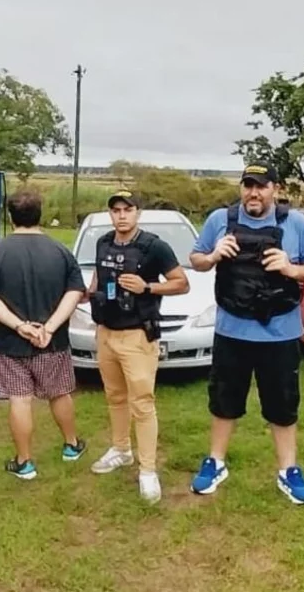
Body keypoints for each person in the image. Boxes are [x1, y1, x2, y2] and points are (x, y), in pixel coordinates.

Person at [187, 160, 304, 504]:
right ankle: (216, 462)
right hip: (231, 331)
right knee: (224, 401)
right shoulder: (220, 220)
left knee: (283, 405)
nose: (253, 192)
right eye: (248, 185)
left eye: (261, 186)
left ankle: (288, 470)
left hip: (280, 334)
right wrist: (213, 256)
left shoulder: (295, 223)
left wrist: (291, 269)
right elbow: (196, 259)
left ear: (275, 190)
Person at [0, 189, 88, 480]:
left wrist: (19, 326)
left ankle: (24, 462)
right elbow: (75, 292)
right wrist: (49, 327)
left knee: (19, 399)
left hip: (8, 343)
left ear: (10, 216)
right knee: (59, 393)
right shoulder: (61, 252)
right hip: (52, 342)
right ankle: (71, 445)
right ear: (40, 214)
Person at [87, 190, 190, 503]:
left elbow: (182, 283)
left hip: (137, 335)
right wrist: (88, 296)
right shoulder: (103, 242)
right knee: (115, 397)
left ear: (137, 213)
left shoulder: (154, 246)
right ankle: (121, 449)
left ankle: (148, 470)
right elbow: (98, 278)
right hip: (106, 332)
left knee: (142, 403)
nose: (121, 215)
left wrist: (147, 287)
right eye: (116, 210)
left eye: (127, 210)